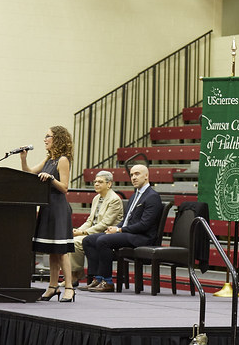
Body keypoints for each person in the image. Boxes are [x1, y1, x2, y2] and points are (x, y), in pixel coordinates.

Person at [81, 164, 163, 292]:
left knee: (103, 241)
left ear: (146, 176)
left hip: (143, 237)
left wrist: (119, 230)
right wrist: (115, 227)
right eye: (131, 175)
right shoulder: (135, 195)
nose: (133, 178)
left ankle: (107, 282)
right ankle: (97, 278)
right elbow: (126, 220)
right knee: (88, 240)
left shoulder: (152, 196)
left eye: (137, 174)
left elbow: (144, 225)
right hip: (130, 234)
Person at [21, 125, 76, 302]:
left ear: (57, 139)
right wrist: (23, 159)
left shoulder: (62, 160)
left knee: (61, 250)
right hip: (47, 207)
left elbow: (65, 188)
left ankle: (68, 287)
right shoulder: (48, 160)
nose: (45, 139)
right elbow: (29, 173)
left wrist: (51, 179)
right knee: (51, 250)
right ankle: (53, 286)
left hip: (58, 208)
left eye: (48, 136)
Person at [69, 170, 124, 286]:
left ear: (109, 184)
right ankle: (74, 275)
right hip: (93, 232)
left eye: (100, 182)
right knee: (72, 239)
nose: (96, 184)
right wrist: (78, 230)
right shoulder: (96, 198)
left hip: (108, 234)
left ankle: (74, 277)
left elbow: (105, 224)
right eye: (95, 182)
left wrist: (83, 232)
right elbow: (90, 220)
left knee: (76, 242)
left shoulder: (114, 199)